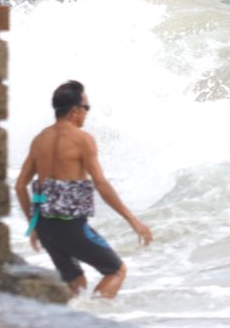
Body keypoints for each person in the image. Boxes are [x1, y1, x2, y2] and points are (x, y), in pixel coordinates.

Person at [14, 80, 152, 299]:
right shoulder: (82, 140)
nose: (87, 114)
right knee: (116, 271)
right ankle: (96, 318)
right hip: (70, 226)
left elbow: (20, 185)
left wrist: (33, 226)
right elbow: (101, 184)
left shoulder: (39, 140)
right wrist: (133, 220)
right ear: (75, 110)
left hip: (45, 226)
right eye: (86, 108)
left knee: (76, 284)